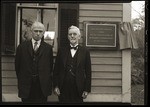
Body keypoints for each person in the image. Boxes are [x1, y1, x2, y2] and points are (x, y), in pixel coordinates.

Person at [15, 21, 53, 103]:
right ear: (31, 32)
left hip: (42, 86)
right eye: (36, 31)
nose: (38, 33)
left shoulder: (48, 48)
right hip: (26, 85)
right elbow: (17, 67)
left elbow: (50, 67)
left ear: (43, 33)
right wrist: (24, 79)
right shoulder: (21, 47)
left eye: (40, 31)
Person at [53, 25, 91, 103]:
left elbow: (88, 72)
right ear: (68, 36)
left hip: (79, 88)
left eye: (74, 34)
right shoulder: (61, 51)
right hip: (63, 87)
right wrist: (56, 86)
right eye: (70, 34)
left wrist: (86, 89)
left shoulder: (85, 52)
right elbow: (56, 70)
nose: (72, 36)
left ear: (79, 36)